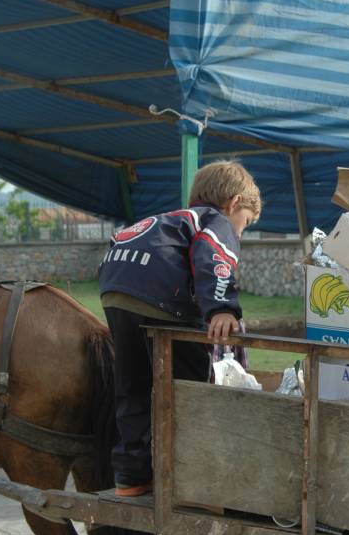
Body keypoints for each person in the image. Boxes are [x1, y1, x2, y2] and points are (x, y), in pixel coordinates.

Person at [98, 160, 261, 497]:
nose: (239, 233)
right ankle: (192, 473)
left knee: (132, 384)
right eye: (244, 225)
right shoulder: (213, 220)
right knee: (190, 386)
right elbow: (214, 257)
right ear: (234, 204)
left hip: (115, 288)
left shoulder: (167, 220)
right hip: (158, 293)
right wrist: (222, 308)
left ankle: (132, 476)